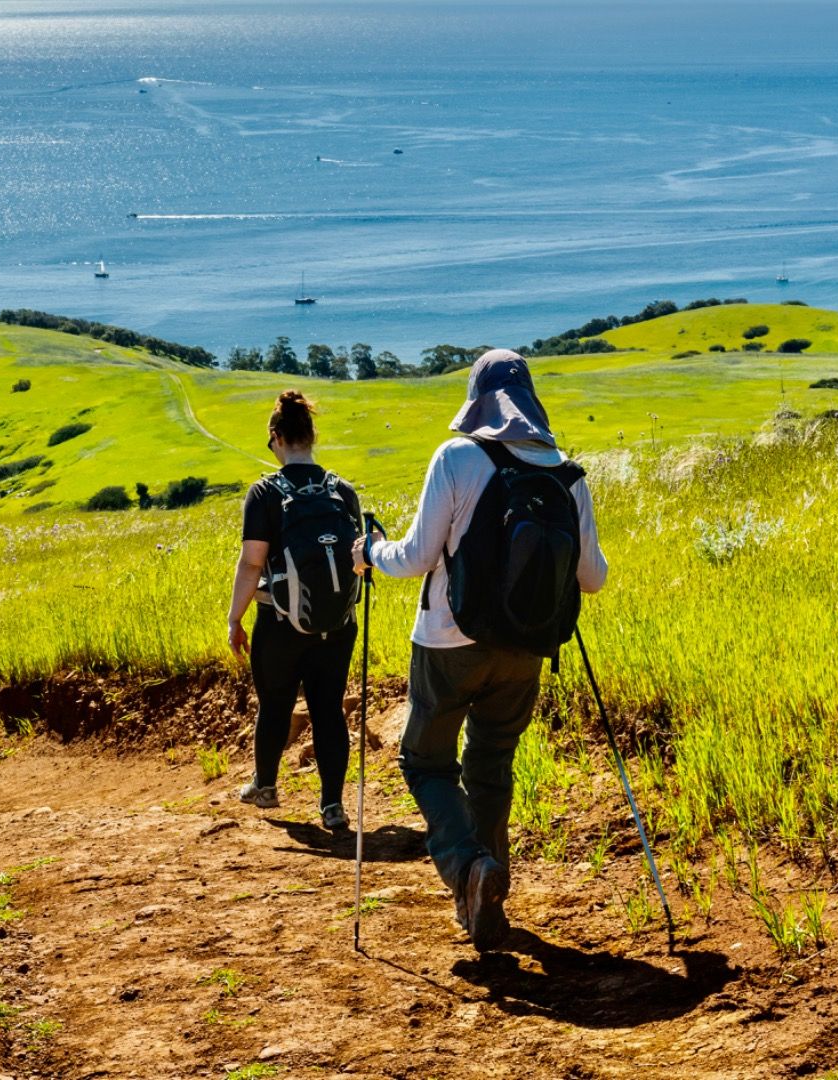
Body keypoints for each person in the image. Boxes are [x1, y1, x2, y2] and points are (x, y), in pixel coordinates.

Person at [352, 349, 607, 946]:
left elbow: (416, 558)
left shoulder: (458, 457)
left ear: (475, 397)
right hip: (526, 647)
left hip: (448, 641)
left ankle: (469, 869)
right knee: (491, 762)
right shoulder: (566, 473)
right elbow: (592, 578)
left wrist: (369, 553)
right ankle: (487, 896)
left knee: (424, 761)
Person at [228, 389, 363, 831]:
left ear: (276, 438)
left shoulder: (265, 493)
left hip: (280, 622)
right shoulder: (341, 490)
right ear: (311, 436)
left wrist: (235, 618)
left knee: (276, 705)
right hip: (338, 624)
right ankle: (332, 806)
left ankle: (265, 787)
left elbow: (252, 563)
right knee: (328, 709)